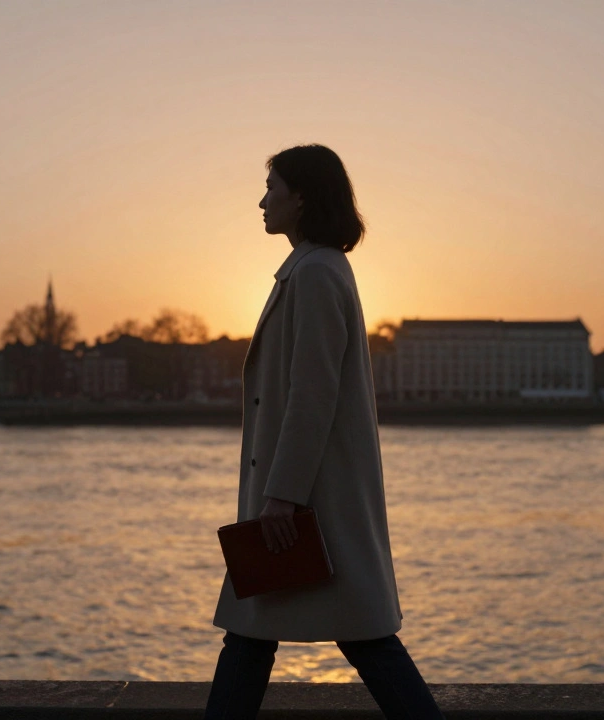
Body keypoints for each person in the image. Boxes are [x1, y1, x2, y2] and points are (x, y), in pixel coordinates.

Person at [205, 144, 445, 720]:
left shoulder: (313, 274)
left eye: (273, 189)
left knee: (321, 637)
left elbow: (312, 398)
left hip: (308, 501)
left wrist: (281, 497)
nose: (262, 202)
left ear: (302, 197)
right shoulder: (317, 268)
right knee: (273, 634)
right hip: (314, 495)